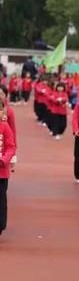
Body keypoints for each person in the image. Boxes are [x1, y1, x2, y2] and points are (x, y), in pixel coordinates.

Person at [0, 100, 16, 236]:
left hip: (1, 172)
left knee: (0, 199)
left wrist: (4, 160)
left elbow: (11, 146)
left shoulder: (5, 127)